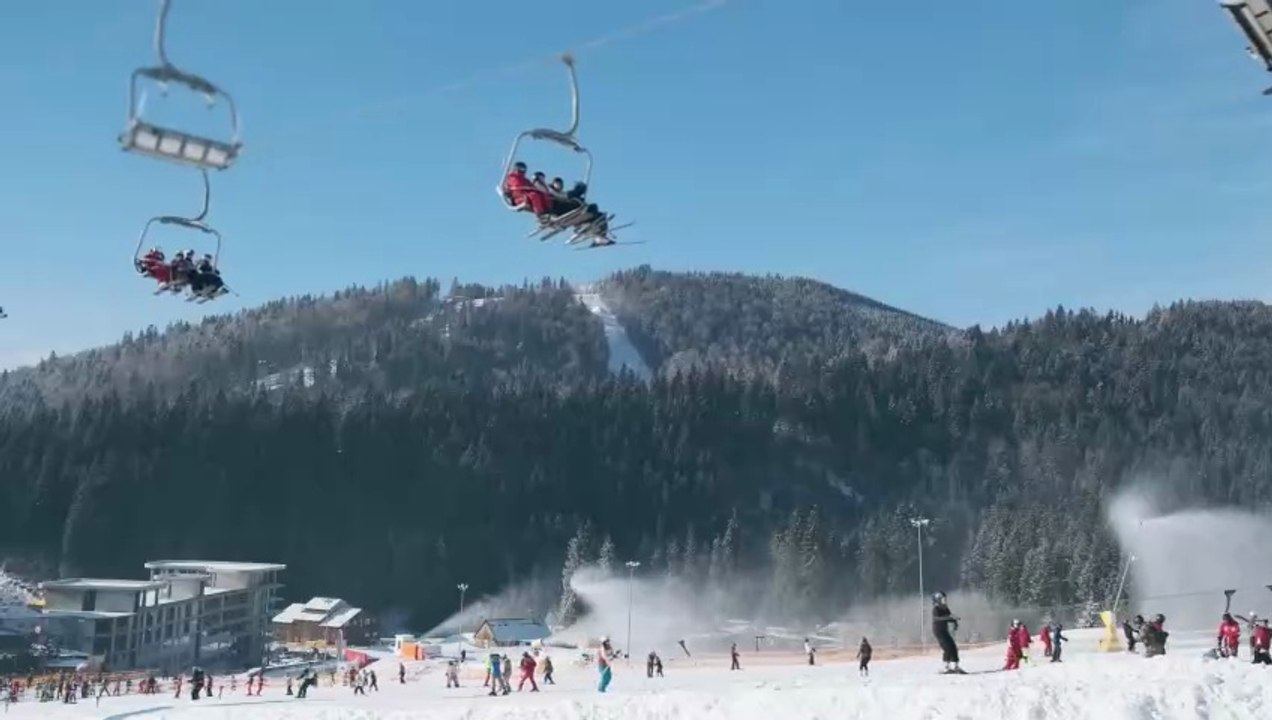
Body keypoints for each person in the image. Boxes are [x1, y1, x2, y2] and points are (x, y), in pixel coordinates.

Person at [931, 592, 963, 673]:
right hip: (938, 631)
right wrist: (947, 618)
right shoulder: (936, 609)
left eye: (945, 599)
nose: (944, 600)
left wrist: (955, 621)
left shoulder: (945, 608)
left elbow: (949, 617)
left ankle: (955, 666)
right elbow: (936, 618)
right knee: (947, 648)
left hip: (945, 631)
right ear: (938, 600)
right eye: (942, 599)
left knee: (953, 647)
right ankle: (946, 667)